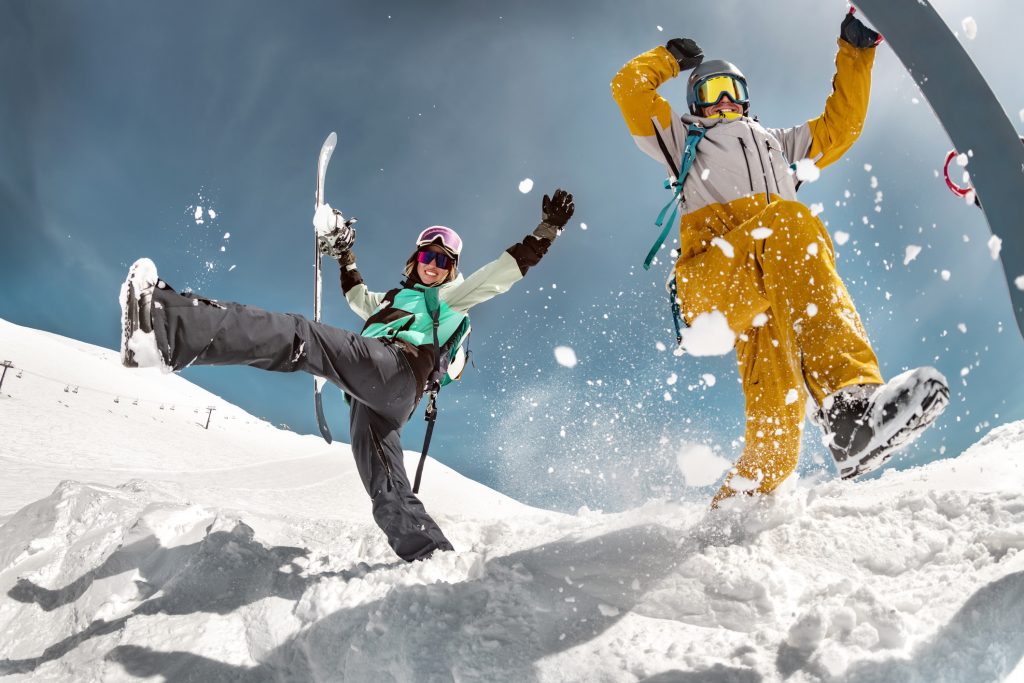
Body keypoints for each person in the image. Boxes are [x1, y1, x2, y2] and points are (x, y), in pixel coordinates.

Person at [120, 189, 575, 561]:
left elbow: (502, 273)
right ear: (415, 260)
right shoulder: (393, 300)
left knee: (304, 337)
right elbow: (358, 297)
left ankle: (165, 327)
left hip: (397, 370)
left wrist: (545, 231)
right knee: (386, 488)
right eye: (426, 257)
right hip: (374, 402)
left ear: (452, 269)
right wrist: (345, 254)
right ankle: (432, 560)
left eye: (442, 261)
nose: (432, 266)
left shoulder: (452, 299)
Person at [610, 11, 949, 505]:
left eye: (731, 89)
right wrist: (667, 59)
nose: (723, 100)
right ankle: (849, 406)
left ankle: (731, 520)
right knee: (790, 222)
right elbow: (629, 89)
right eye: (710, 92)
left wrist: (855, 50)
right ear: (695, 104)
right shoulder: (684, 141)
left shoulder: (779, 145)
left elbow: (842, 126)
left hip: (768, 287)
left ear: (746, 97)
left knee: (778, 431)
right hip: (714, 273)